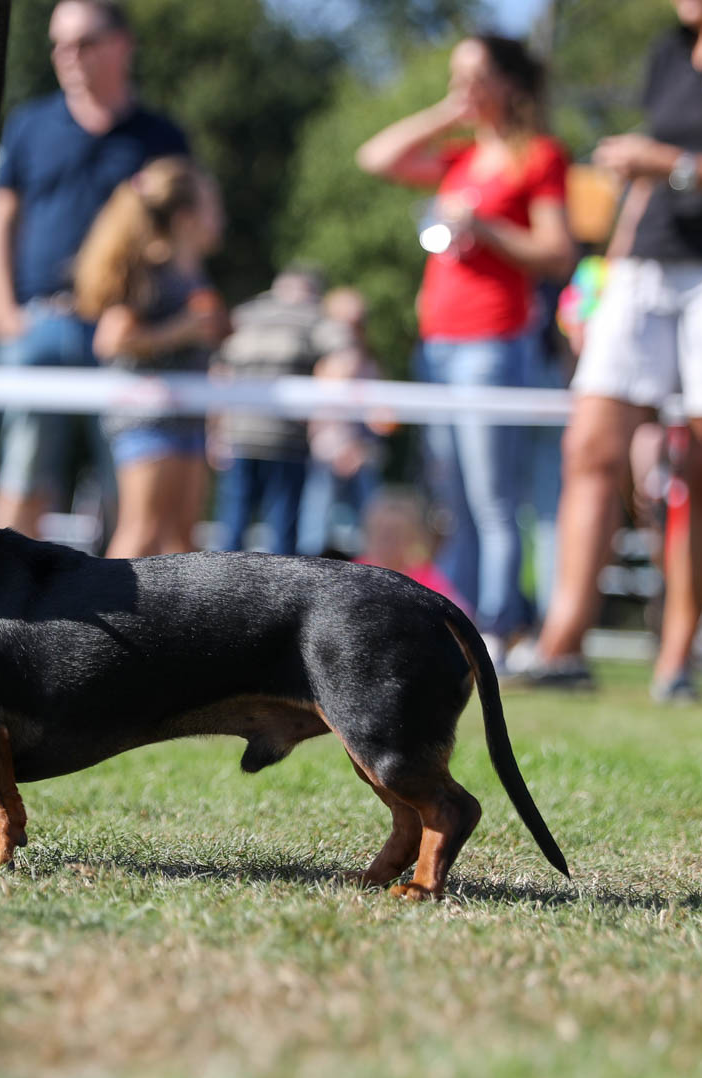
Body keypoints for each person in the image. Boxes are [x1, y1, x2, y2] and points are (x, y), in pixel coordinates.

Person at [523, 0, 702, 701]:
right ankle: (561, 646)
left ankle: (677, 661)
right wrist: (603, 282)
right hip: (643, 269)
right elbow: (641, 186)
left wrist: (679, 165)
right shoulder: (668, 49)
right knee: (590, 448)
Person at [357, 33, 575, 666]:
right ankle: (462, 627)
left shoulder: (539, 156)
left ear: (509, 82)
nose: (464, 88)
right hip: (438, 343)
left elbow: (557, 252)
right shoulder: (460, 158)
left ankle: (499, 628)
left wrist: (486, 227)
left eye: (475, 77)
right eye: (457, 77)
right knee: (451, 501)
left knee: (491, 498)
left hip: (494, 341)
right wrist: (448, 113)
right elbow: (376, 157)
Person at [0, 0, 189, 539]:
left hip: (122, 330)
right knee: (23, 477)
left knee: (130, 488)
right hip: (37, 322)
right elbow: (1, 220)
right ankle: (2, 593)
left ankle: (130, 596)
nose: (68, 56)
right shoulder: (30, 124)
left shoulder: (160, 137)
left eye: (84, 42)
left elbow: (184, 235)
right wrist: (2, 310)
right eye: (59, 44)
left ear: (122, 45)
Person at [76, 156, 226, 558]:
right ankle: (109, 602)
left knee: (183, 540)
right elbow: (112, 339)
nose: (221, 219)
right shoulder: (152, 271)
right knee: (142, 531)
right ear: (185, 218)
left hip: (186, 416)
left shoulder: (192, 273)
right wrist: (183, 329)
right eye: (213, 207)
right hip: (148, 418)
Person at [212, 265, 338, 556]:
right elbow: (343, 357)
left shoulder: (244, 316)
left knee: (232, 532)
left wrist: (215, 429)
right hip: (285, 441)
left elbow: (219, 374)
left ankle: (226, 587)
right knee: (282, 538)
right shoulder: (312, 317)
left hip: (241, 435)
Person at [299, 287, 387, 558]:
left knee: (370, 523)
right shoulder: (325, 362)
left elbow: (377, 416)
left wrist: (360, 447)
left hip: (361, 454)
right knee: (316, 525)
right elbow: (324, 412)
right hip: (329, 452)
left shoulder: (369, 363)